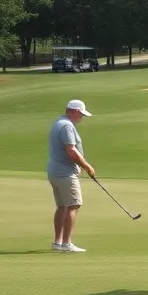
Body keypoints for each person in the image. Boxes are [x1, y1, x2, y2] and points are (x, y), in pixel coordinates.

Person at [47, 99, 97, 252]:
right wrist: (86, 166)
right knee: (73, 205)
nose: (81, 118)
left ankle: (58, 242)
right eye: (81, 114)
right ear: (74, 111)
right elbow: (71, 150)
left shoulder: (58, 122)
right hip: (65, 173)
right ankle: (67, 243)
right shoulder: (67, 126)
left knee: (62, 206)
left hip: (55, 171)